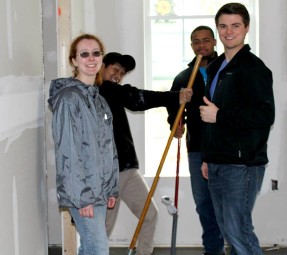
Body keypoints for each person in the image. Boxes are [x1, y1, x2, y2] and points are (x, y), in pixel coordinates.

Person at [99, 52, 193, 255]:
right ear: (101, 67)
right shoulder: (100, 90)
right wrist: (175, 96)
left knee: (149, 214)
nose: (118, 76)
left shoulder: (113, 91)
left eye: (122, 73)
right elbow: (136, 99)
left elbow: (134, 99)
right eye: (115, 70)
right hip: (106, 176)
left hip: (128, 170)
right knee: (101, 230)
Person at [199, 3, 275, 255]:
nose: (228, 32)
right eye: (223, 26)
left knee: (238, 231)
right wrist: (208, 157)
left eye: (235, 26)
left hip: (242, 165)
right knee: (228, 230)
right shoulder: (215, 68)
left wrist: (220, 115)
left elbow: (264, 115)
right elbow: (209, 118)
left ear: (246, 28)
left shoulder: (254, 69)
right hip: (218, 161)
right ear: (217, 29)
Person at [48, 34, 119, 255]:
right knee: (97, 249)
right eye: (84, 54)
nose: (91, 58)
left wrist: (110, 187)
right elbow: (67, 151)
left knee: (90, 248)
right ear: (74, 61)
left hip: (99, 189)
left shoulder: (98, 98)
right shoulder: (69, 98)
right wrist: (82, 198)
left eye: (96, 53)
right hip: (84, 192)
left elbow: (107, 148)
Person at [167, 26, 225, 255]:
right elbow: (173, 111)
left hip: (226, 149)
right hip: (197, 149)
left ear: (214, 42)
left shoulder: (227, 71)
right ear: (191, 46)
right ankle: (213, 251)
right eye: (196, 42)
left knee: (226, 206)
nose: (202, 45)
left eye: (206, 41)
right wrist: (176, 125)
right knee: (204, 205)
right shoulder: (184, 78)